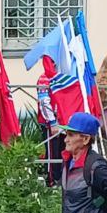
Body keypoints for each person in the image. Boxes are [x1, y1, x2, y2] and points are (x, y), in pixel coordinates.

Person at [36, 58, 63, 187]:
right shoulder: (44, 78)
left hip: (63, 121)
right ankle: (52, 181)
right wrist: (52, 122)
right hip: (50, 123)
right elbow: (44, 101)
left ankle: (62, 180)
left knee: (63, 151)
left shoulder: (62, 75)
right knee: (53, 152)